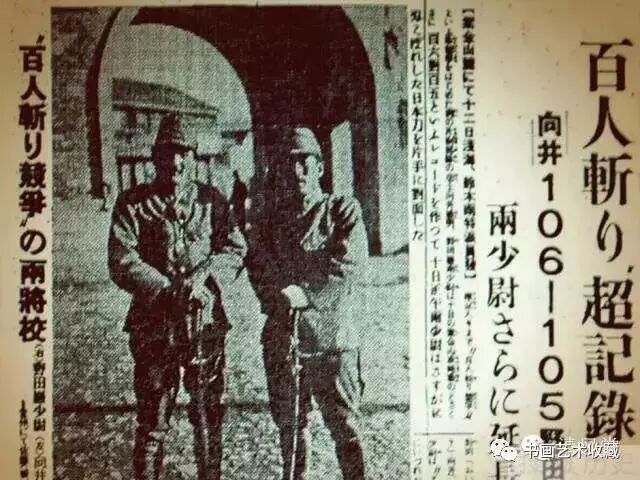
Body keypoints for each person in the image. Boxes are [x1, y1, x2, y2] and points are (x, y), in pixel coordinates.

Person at [108, 113, 247, 480]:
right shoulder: (133, 203)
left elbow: (235, 247)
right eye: (167, 153)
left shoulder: (211, 200)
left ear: (192, 157)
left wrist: (205, 278)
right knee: (153, 421)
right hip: (154, 326)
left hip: (204, 323)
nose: (175, 162)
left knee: (208, 415)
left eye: (182, 153)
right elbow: (122, 260)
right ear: (155, 157)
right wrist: (168, 290)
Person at [251, 127, 368, 480]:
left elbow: (348, 265)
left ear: (319, 167)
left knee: (345, 428)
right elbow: (257, 266)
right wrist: (275, 297)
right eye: (289, 164)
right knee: (290, 431)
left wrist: (303, 293)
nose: (297, 171)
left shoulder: (341, 211)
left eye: (305, 162)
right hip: (284, 340)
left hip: (332, 342)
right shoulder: (270, 221)